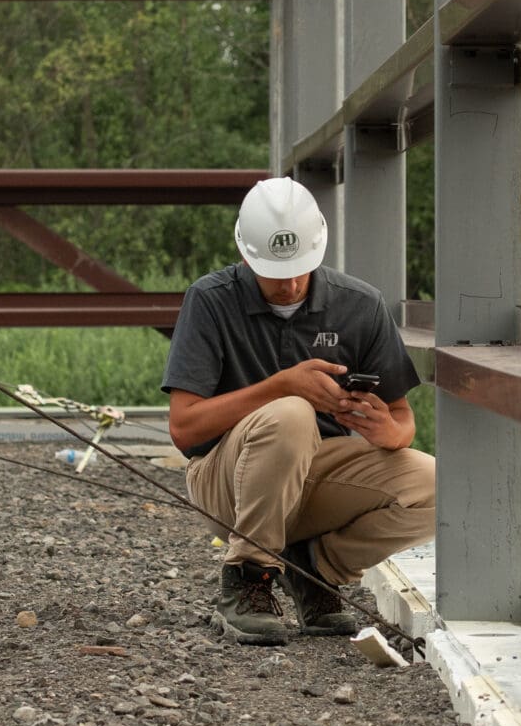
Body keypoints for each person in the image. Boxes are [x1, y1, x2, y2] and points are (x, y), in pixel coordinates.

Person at [162, 177, 436, 645]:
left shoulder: (361, 305)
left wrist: (387, 432)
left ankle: (316, 571)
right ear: (245, 254)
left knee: (436, 485)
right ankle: (248, 576)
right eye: (274, 271)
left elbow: (402, 420)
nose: (289, 284)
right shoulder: (210, 300)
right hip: (226, 483)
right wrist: (282, 387)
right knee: (290, 413)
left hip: (315, 476)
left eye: (300, 269)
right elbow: (184, 429)